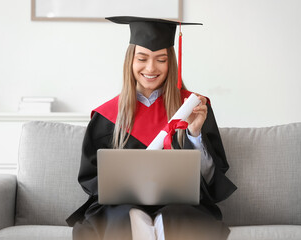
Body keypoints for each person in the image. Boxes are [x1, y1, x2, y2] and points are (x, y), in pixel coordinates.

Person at [66, 16, 237, 240]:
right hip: (122, 206)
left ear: (171, 63)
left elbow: (210, 179)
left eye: (161, 59)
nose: (151, 68)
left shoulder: (193, 108)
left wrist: (194, 134)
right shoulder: (107, 116)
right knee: (124, 217)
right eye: (142, 58)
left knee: (179, 217)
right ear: (131, 61)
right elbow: (92, 179)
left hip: (180, 205)